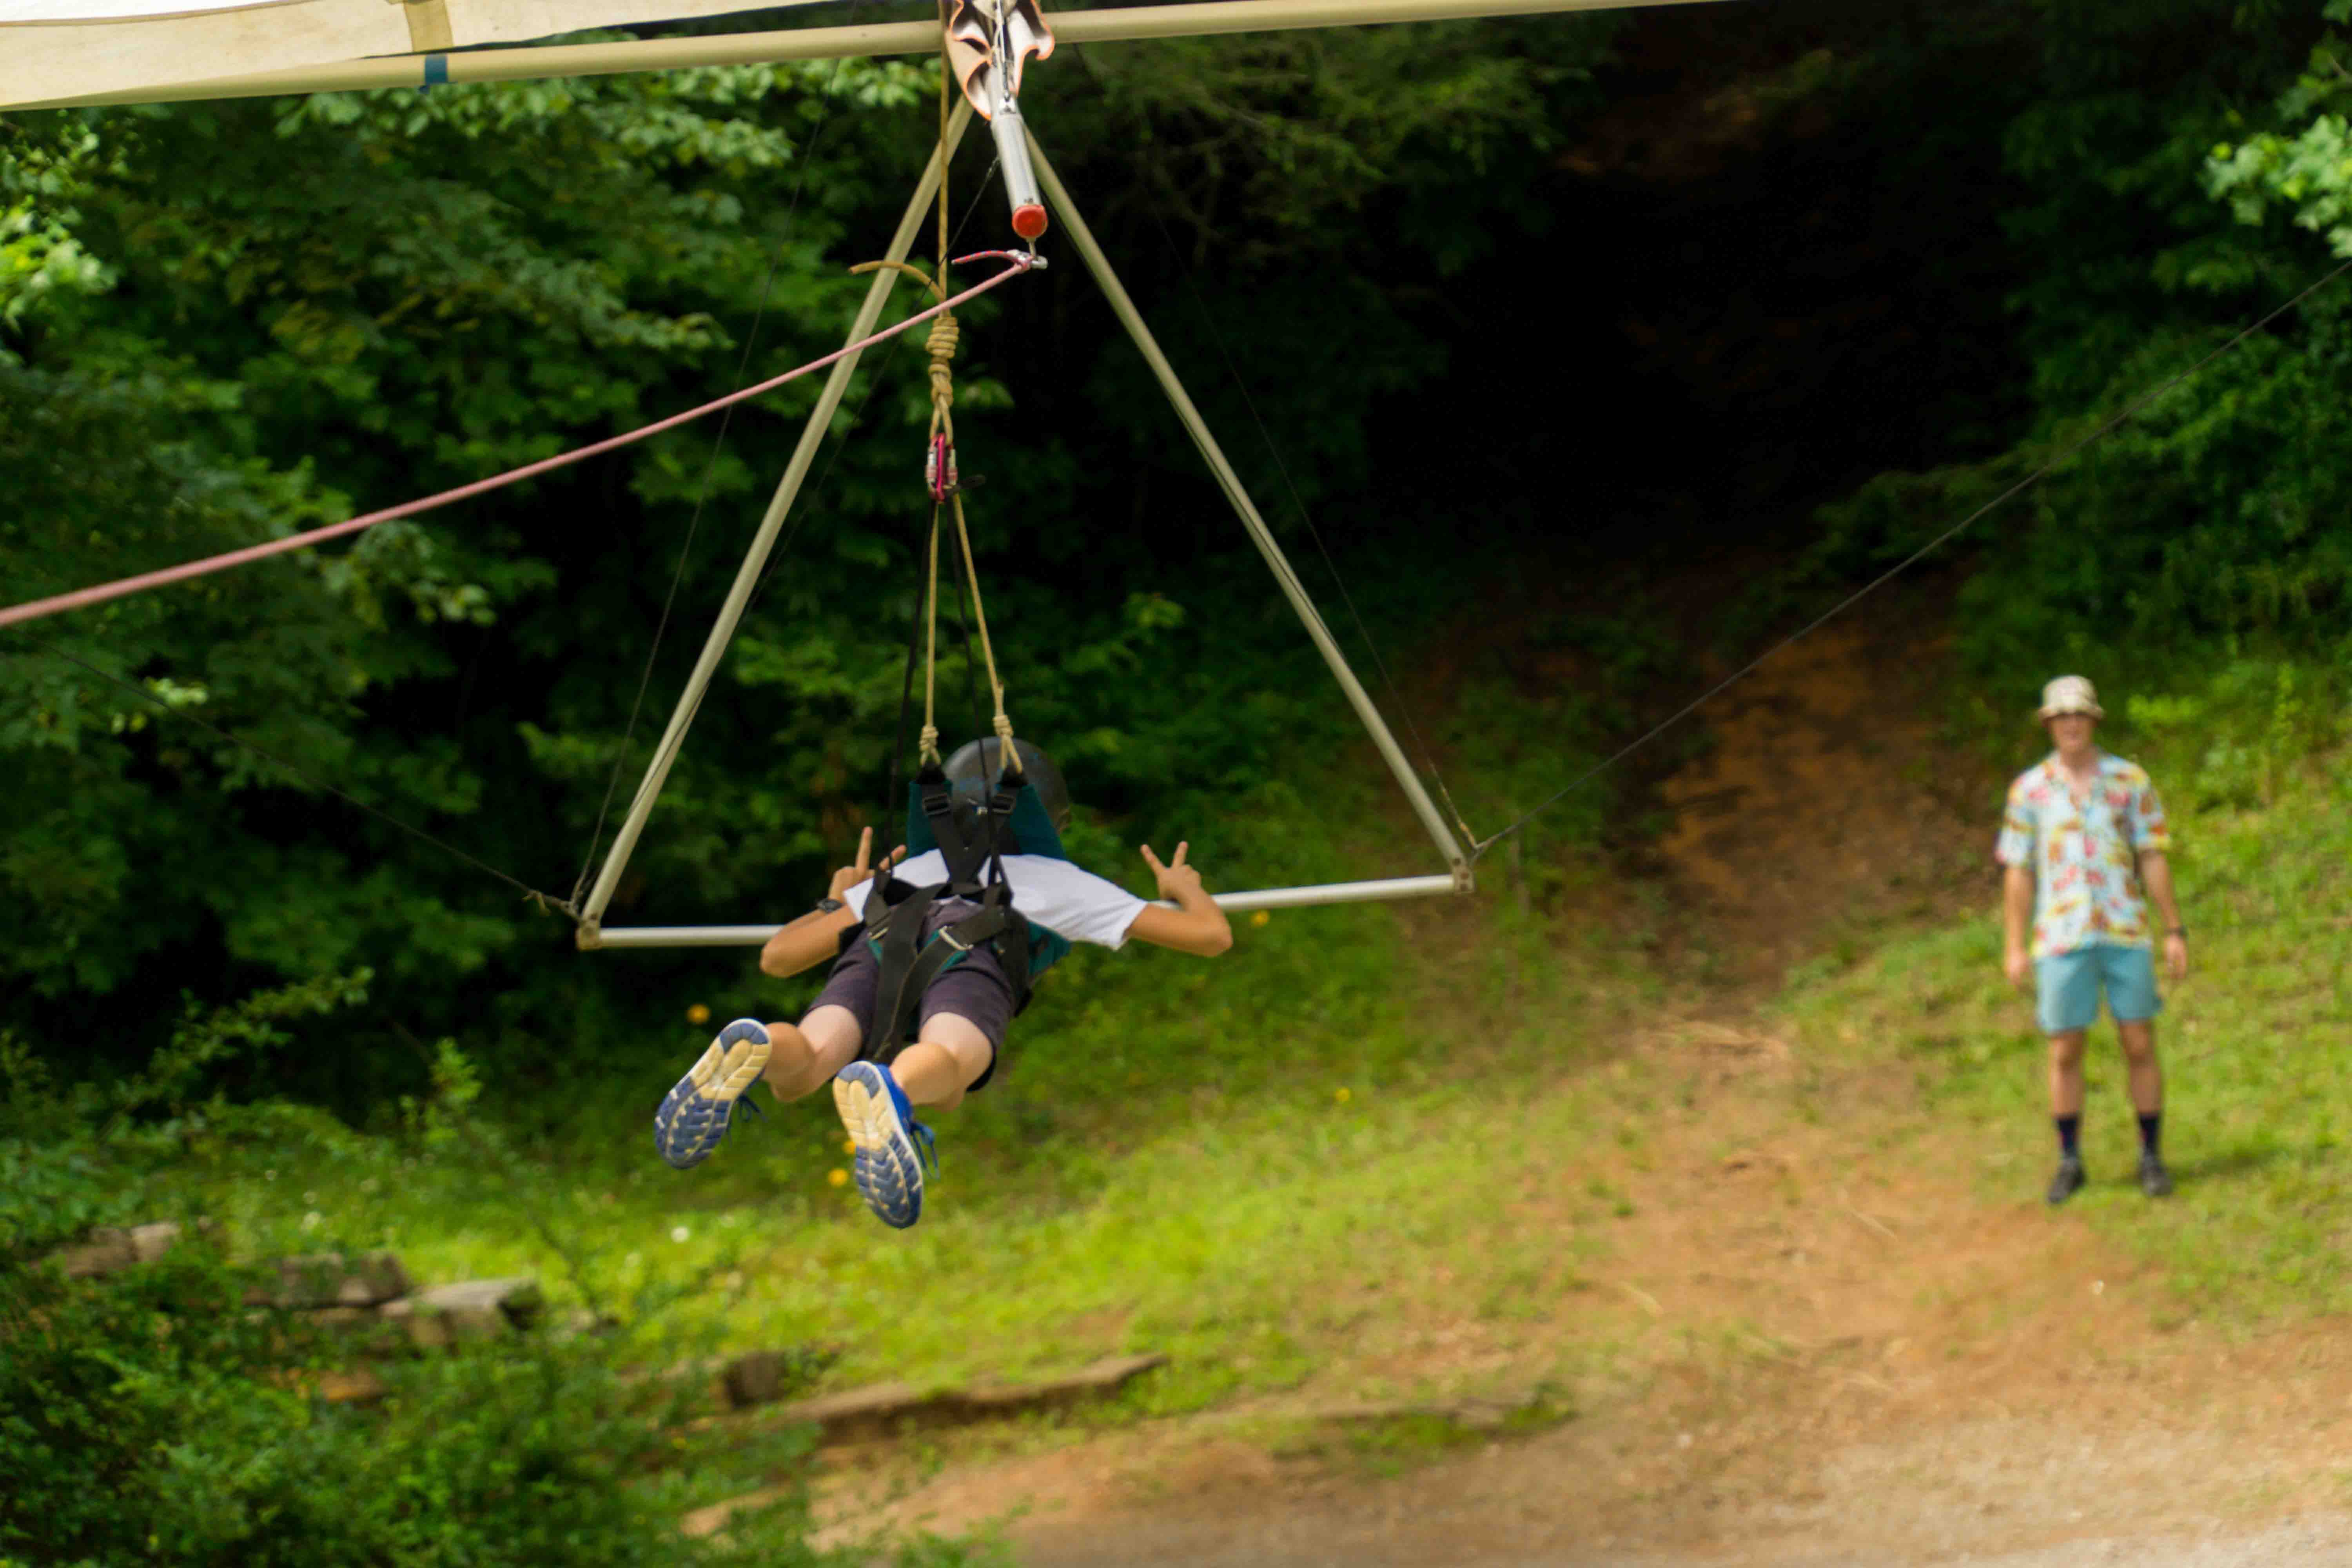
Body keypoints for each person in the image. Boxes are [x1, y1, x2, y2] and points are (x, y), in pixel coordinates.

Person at [653, 747, 1232, 1229]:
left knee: (803, 1067)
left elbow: (779, 958)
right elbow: (1211, 937)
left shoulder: (906, 874)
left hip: (882, 932)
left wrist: (841, 899)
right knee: (951, 1069)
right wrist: (1183, 888)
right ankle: (895, 1088)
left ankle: (757, 1045)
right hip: (977, 946)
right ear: (1050, 823)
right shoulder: (1064, 883)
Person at [1996, 675, 2190, 1205]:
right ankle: (2070, 1160)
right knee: (2065, 1048)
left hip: (2124, 929)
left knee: (2139, 1042)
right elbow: (2018, 870)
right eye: (2061, 717)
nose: (2071, 724)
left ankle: (2151, 1155)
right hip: (2061, 936)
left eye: (2079, 715)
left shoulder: (2129, 780)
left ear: (2094, 720)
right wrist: (2015, 946)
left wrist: (2173, 928)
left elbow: (2152, 855)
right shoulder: (2029, 791)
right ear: (2049, 724)